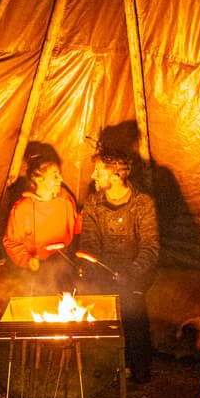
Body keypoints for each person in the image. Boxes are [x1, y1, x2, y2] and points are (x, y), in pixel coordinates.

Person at [77, 149, 158, 384]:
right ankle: (108, 366)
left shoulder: (142, 203)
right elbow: (89, 242)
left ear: (115, 175)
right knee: (98, 306)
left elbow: (150, 247)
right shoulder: (94, 202)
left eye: (98, 171)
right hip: (105, 270)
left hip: (135, 271)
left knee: (132, 307)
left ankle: (139, 367)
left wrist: (131, 272)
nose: (93, 175)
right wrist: (88, 266)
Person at [2, 146, 81, 276]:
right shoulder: (23, 209)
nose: (61, 179)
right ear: (39, 179)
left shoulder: (65, 198)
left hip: (64, 263)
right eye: (55, 176)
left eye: (60, 175)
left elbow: (76, 225)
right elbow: (12, 242)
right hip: (37, 269)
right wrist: (28, 260)